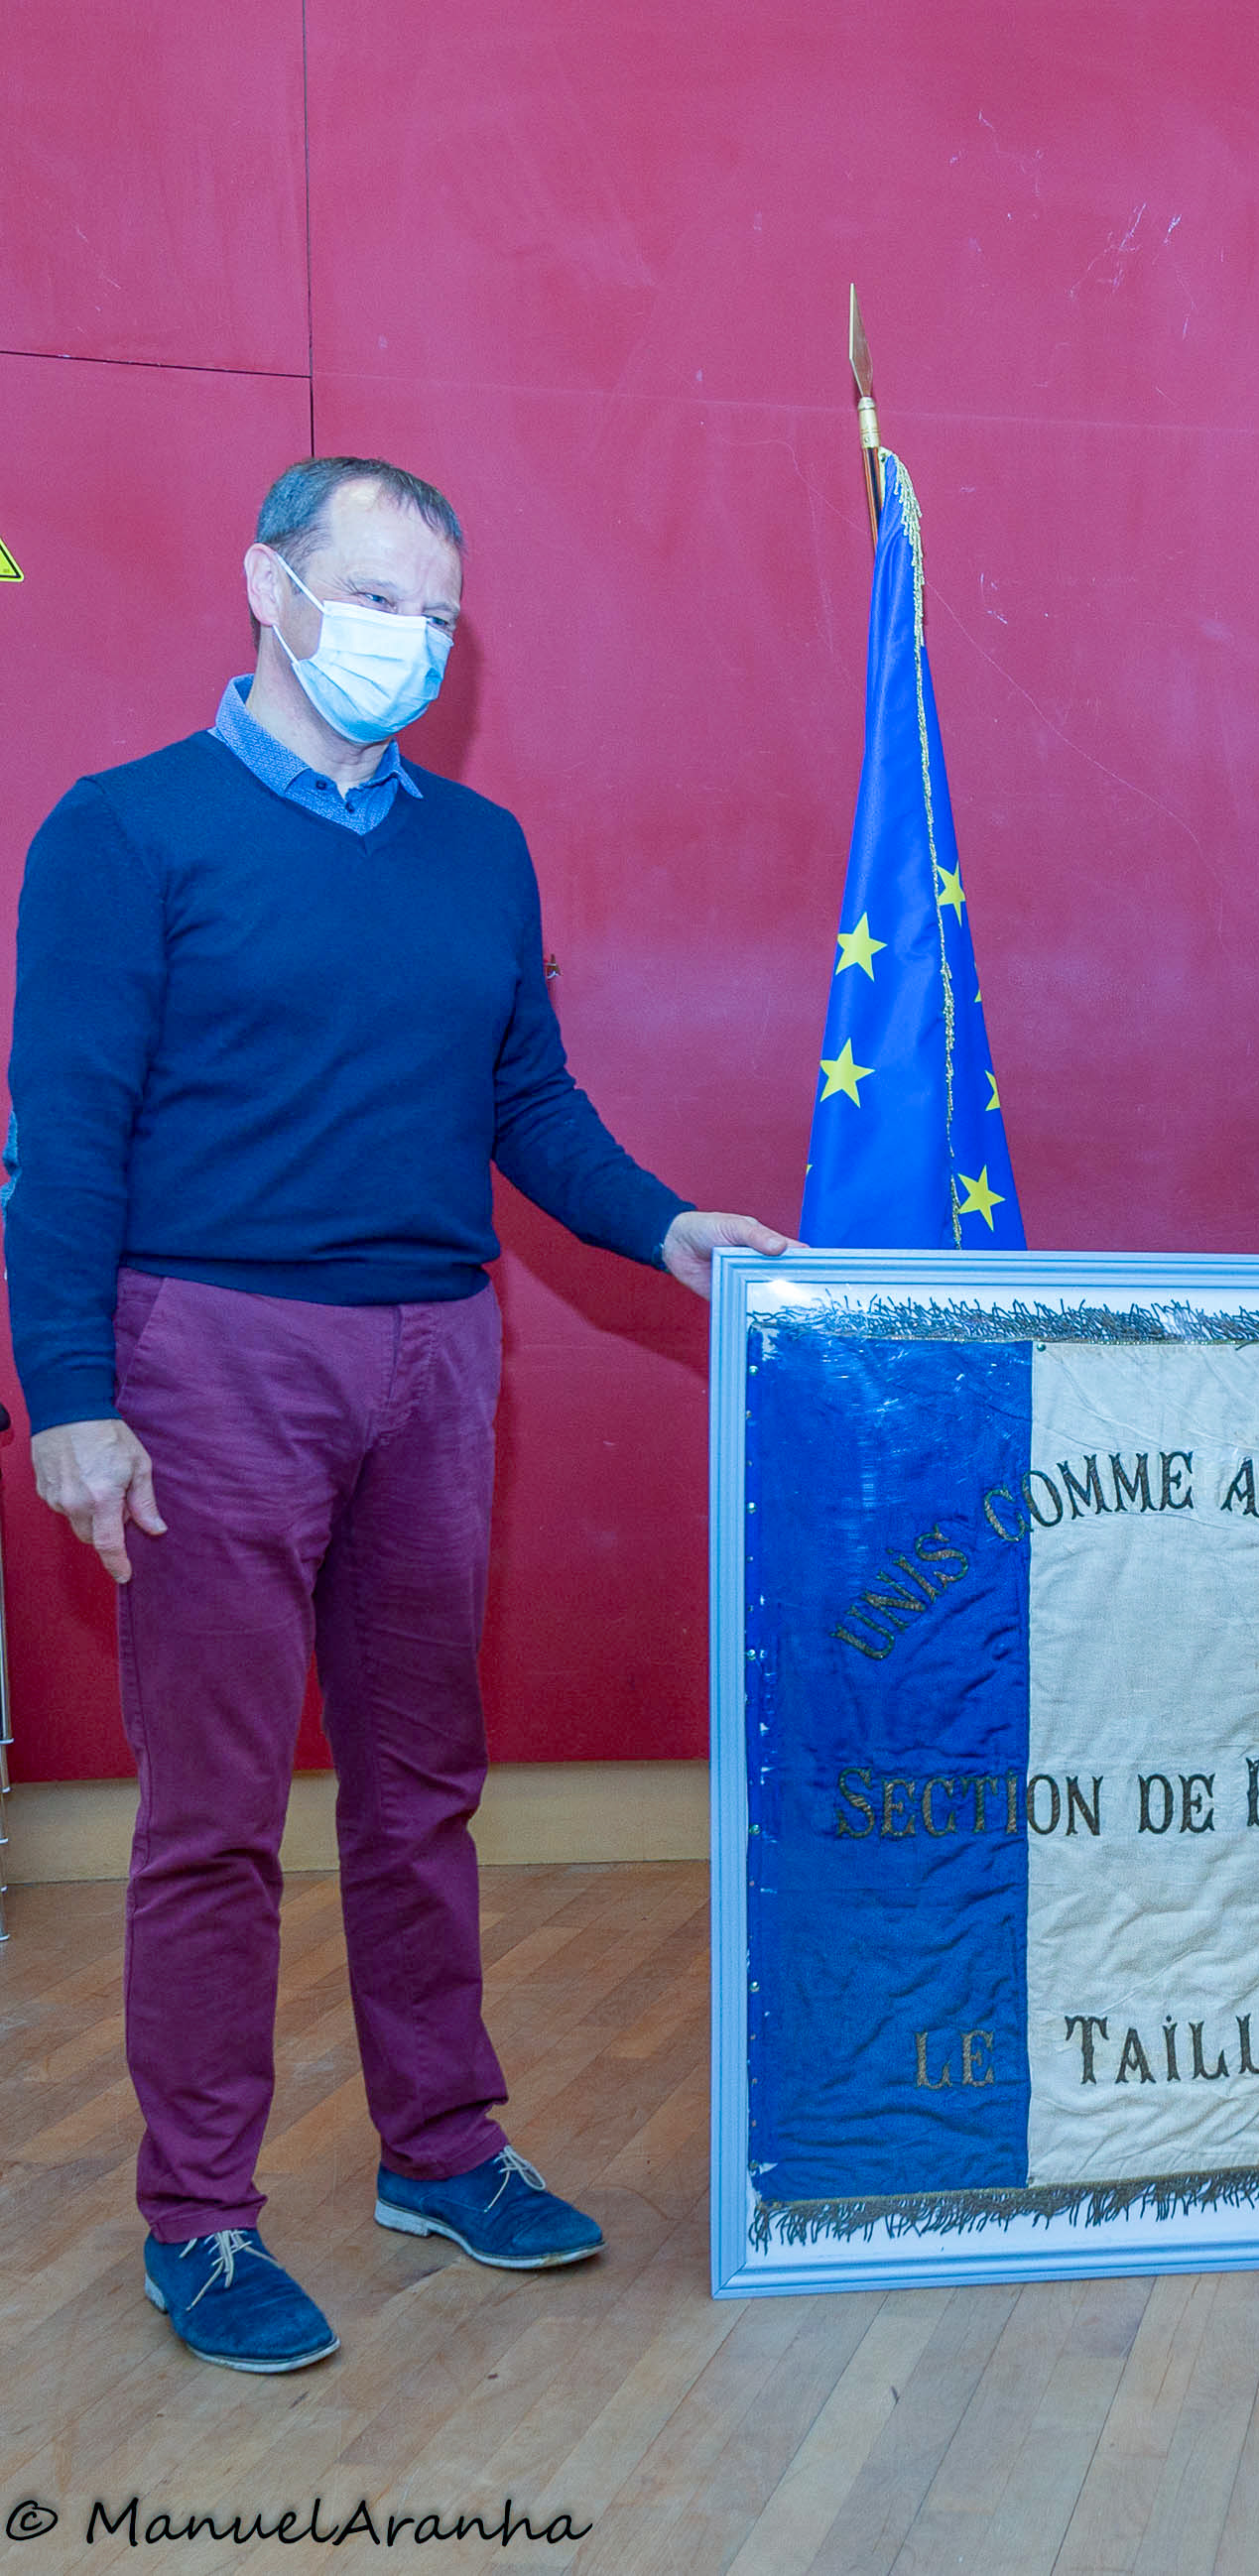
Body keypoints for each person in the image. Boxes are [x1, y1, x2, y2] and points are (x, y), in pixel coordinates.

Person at [7, 456, 795, 2374]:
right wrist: (72, 1402)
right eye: (381, 599)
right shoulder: (123, 834)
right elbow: (62, 1143)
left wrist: (668, 1220)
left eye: (442, 617)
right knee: (211, 1814)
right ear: (267, 584)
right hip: (209, 1359)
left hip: (438, 1356)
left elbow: (529, 1102)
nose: (413, 645)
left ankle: (442, 2147)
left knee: (424, 1782)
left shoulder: (479, 849)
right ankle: (200, 2215)